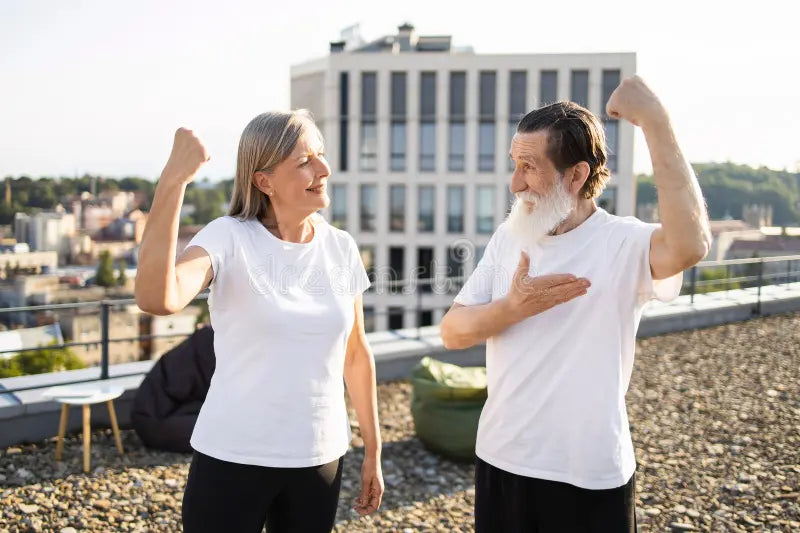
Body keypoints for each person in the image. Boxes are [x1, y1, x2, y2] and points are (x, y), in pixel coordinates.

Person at [440, 76, 711, 533]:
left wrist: (655, 122)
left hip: (590, 475)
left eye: (529, 167)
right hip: (501, 460)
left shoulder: (623, 242)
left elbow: (691, 244)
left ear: (578, 175)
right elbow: (453, 332)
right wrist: (513, 307)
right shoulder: (510, 237)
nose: (514, 183)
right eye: (514, 164)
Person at [135, 110, 384, 532]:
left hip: (319, 457)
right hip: (232, 456)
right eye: (304, 161)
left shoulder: (341, 247)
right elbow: (158, 297)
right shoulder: (228, 237)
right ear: (263, 181)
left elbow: (356, 355)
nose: (323, 169)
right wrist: (173, 181)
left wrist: (373, 452)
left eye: (321, 155)